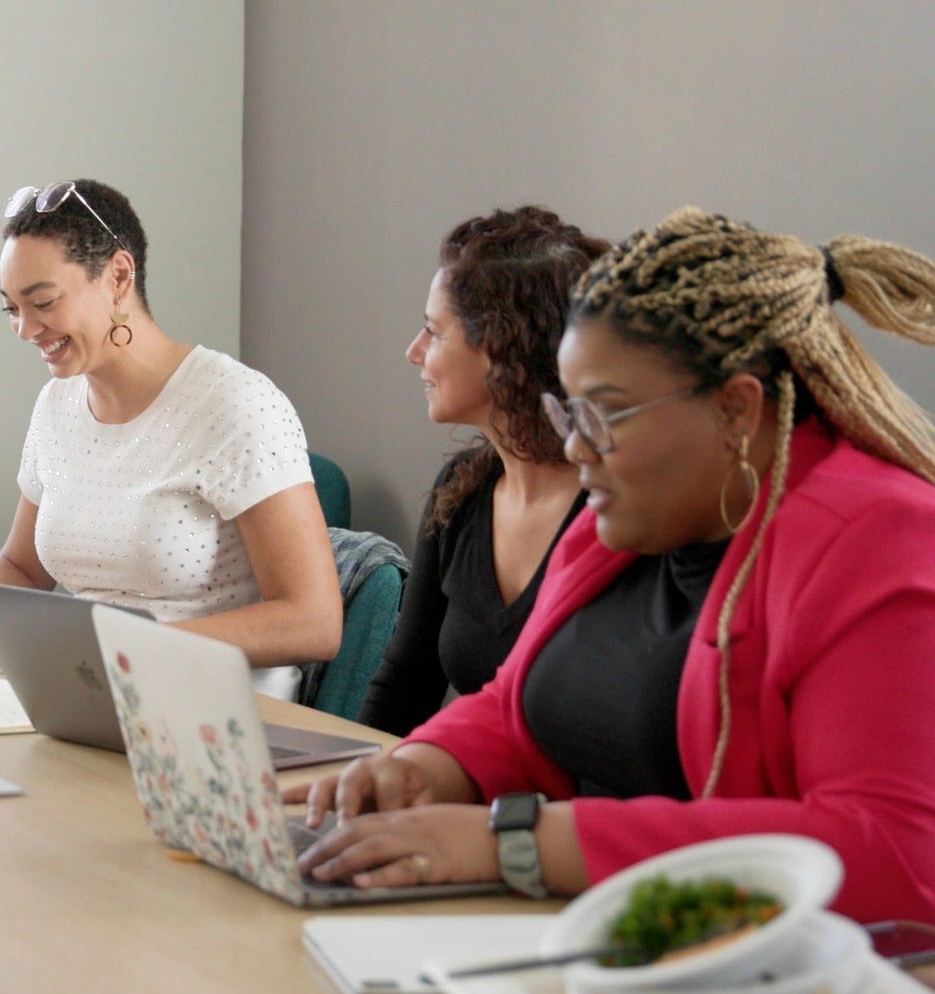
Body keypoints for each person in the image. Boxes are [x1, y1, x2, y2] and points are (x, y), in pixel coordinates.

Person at [292, 208, 935, 923]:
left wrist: (520, 843)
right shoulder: (628, 512)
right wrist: (423, 768)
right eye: (574, 415)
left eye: (604, 415)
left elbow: (892, 857)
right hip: (598, 940)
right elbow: (519, 702)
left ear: (735, 409)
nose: (574, 449)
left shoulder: (880, 539)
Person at [0, 180, 340, 698]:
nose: (24, 329)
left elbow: (313, 621)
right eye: (12, 308)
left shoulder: (235, 405)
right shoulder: (56, 407)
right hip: (89, 691)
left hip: (211, 706)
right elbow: (21, 568)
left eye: (42, 302)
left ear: (119, 276)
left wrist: (131, 651)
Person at [357, 209, 603, 736]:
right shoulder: (461, 490)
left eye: (432, 332)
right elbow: (405, 683)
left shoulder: (619, 505)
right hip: (470, 795)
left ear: (501, 349)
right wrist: (349, 782)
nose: (413, 352)